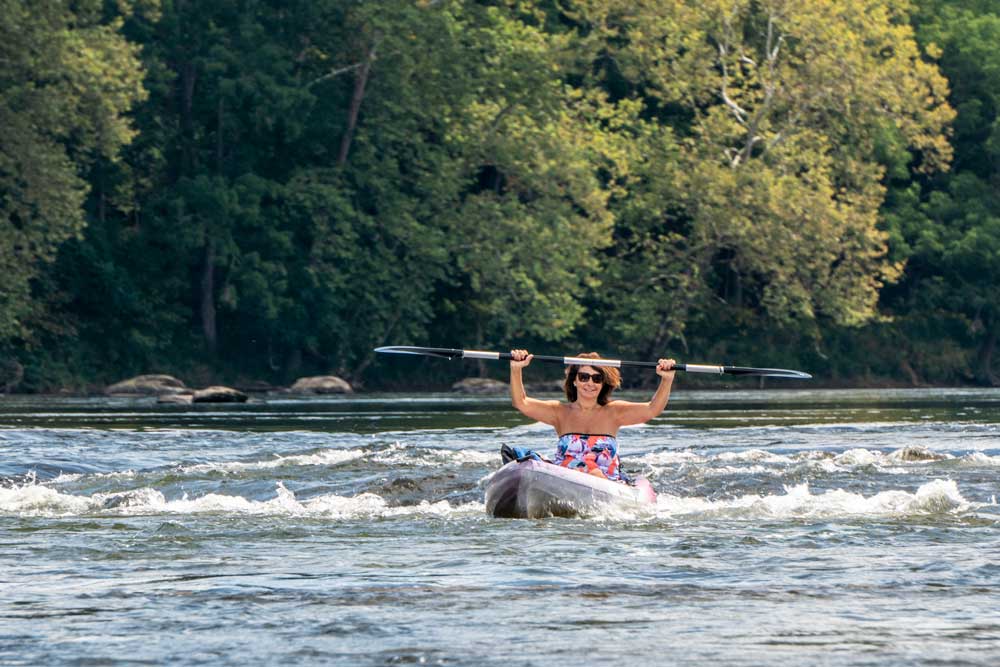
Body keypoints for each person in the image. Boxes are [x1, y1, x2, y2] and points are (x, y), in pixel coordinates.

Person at [508, 349, 675, 483]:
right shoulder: (559, 412)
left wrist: (666, 379)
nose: (590, 383)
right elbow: (520, 402)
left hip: (605, 483)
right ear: (574, 381)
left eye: (597, 378)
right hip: (564, 480)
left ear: (603, 384)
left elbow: (653, 409)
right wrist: (516, 369)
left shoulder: (614, 412)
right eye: (584, 377)